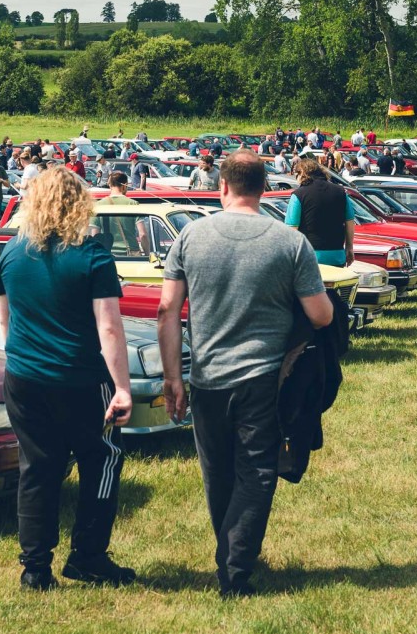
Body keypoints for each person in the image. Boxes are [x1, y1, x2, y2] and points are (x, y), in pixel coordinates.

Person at [157, 150, 332, 598]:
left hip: (207, 376)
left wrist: (172, 378)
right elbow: (321, 315)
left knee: (217, 472)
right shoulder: (290, 242)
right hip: (263, 377)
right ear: (264, 187)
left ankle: (231, 554)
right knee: (256, 472)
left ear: (222, 186)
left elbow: (167, 310)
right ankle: (235, 568)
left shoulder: (190, 236)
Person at [0, 167, 134, 591]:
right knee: (102, 458)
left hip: (23, 376)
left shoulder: (11, 252)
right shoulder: (93, 255)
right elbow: (109, 328)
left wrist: (24, 358)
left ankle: (35, 568)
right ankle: (88, 556)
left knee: (38, 467)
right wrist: (123, 388)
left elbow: (6, 321)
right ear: (79, 204)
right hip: (80, 378)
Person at [284, 157, 354, 267]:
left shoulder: (298, 195)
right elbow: (349, 221)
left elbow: (292, 228)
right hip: (337, 255)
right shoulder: (341, 192)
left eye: (296, 175)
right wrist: (349, 247)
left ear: (301, 173)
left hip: (309, 257)